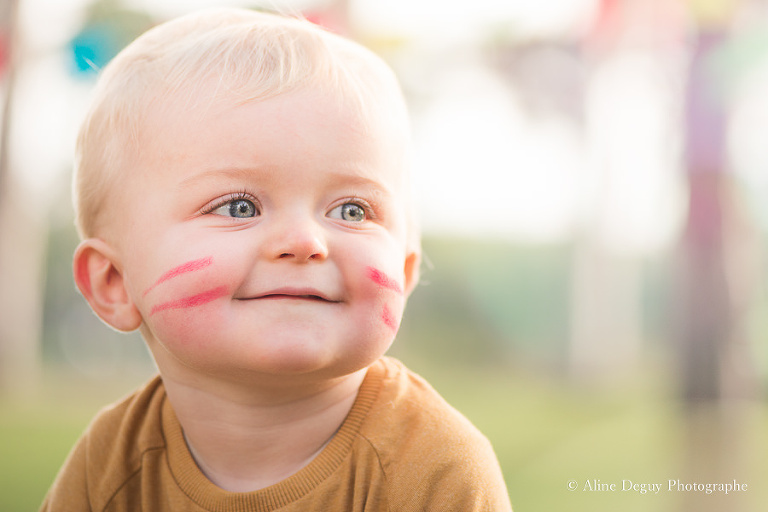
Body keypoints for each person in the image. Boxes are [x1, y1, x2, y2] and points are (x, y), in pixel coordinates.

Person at [41, 8, 512, 511]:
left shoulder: (433, 470)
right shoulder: (109, 468)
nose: (306, 241)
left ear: (405, 269)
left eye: (352, 210)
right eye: (239, 207)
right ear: (113, 282)